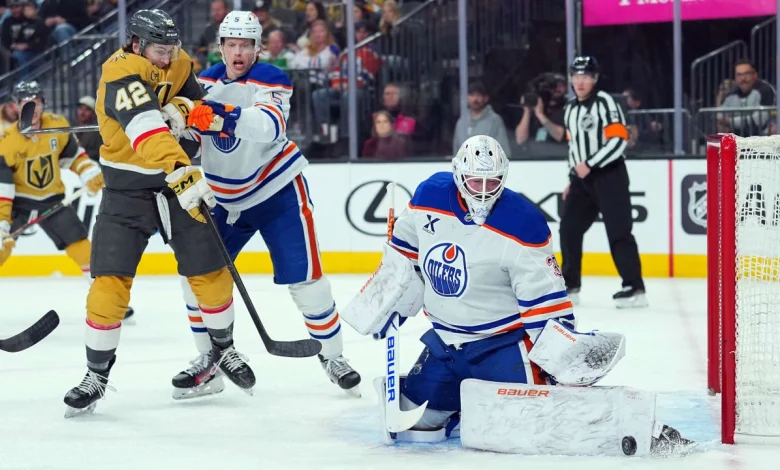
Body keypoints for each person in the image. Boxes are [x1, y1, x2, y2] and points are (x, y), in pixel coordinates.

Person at [338, 135, 690, 456]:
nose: (483, 192)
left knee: (539, 423)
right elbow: (404, 255)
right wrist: (389, 299)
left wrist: (561, 359)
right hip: (445, 345)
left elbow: (546, 306)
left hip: (501, 345)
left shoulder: (522, 223)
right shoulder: (429, 196)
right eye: (475, 181)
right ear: (459, 175)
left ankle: (634, 425)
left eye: (492, 182)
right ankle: (461, 407)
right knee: (417, 426)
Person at [62, 9, 255, 417]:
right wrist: (181, 170)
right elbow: (147, 131)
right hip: (129, 191)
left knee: (210, 272)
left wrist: (181, 110)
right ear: (136, 44)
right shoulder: (119, 71)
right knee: (109, 284)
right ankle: (96, 375)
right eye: (159, 51)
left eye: (171, 50)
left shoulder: (179, 61)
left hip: (173, 185)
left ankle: (223, 349)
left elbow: (199, 104)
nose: (167, 59)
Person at [180, 10, 361, 399]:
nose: (238, 53)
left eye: (246, 45)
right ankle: (211, 361)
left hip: (276, 192)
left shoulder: (272, 78)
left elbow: (268, 126)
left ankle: (333, 357)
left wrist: (217, 116)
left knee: (307, 281)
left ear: (258, 48)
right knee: (196, 278)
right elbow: (194, 136)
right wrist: (176, 125)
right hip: (224, 199)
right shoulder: (203, 82)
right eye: (232, 44)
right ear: (221, 47)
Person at [0, 81, 118, 310]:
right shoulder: (5, 141)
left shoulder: (57, 126)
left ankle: (106, 300)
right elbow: (3, 187)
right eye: (26, 104)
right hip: (18, 204)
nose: (32, 109)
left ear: (44, 103)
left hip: (52, 200)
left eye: (36, 103)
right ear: (16, 106)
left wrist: (89, 172)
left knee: (83, 250)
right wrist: (2, 222)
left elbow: (74, 157)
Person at [561, 56, 646, 308]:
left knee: (619, 231)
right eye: (576, 76)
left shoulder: (605, 102)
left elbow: (618, 141)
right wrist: (572, 177)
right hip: (582, 180)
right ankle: (570, 286)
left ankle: (634, 288)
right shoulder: (570, 109)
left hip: (609, 175)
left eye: (585, 76)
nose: (580, 82)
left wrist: (590, 164)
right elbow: (573, 147)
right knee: (569, 228)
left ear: (595, 79)